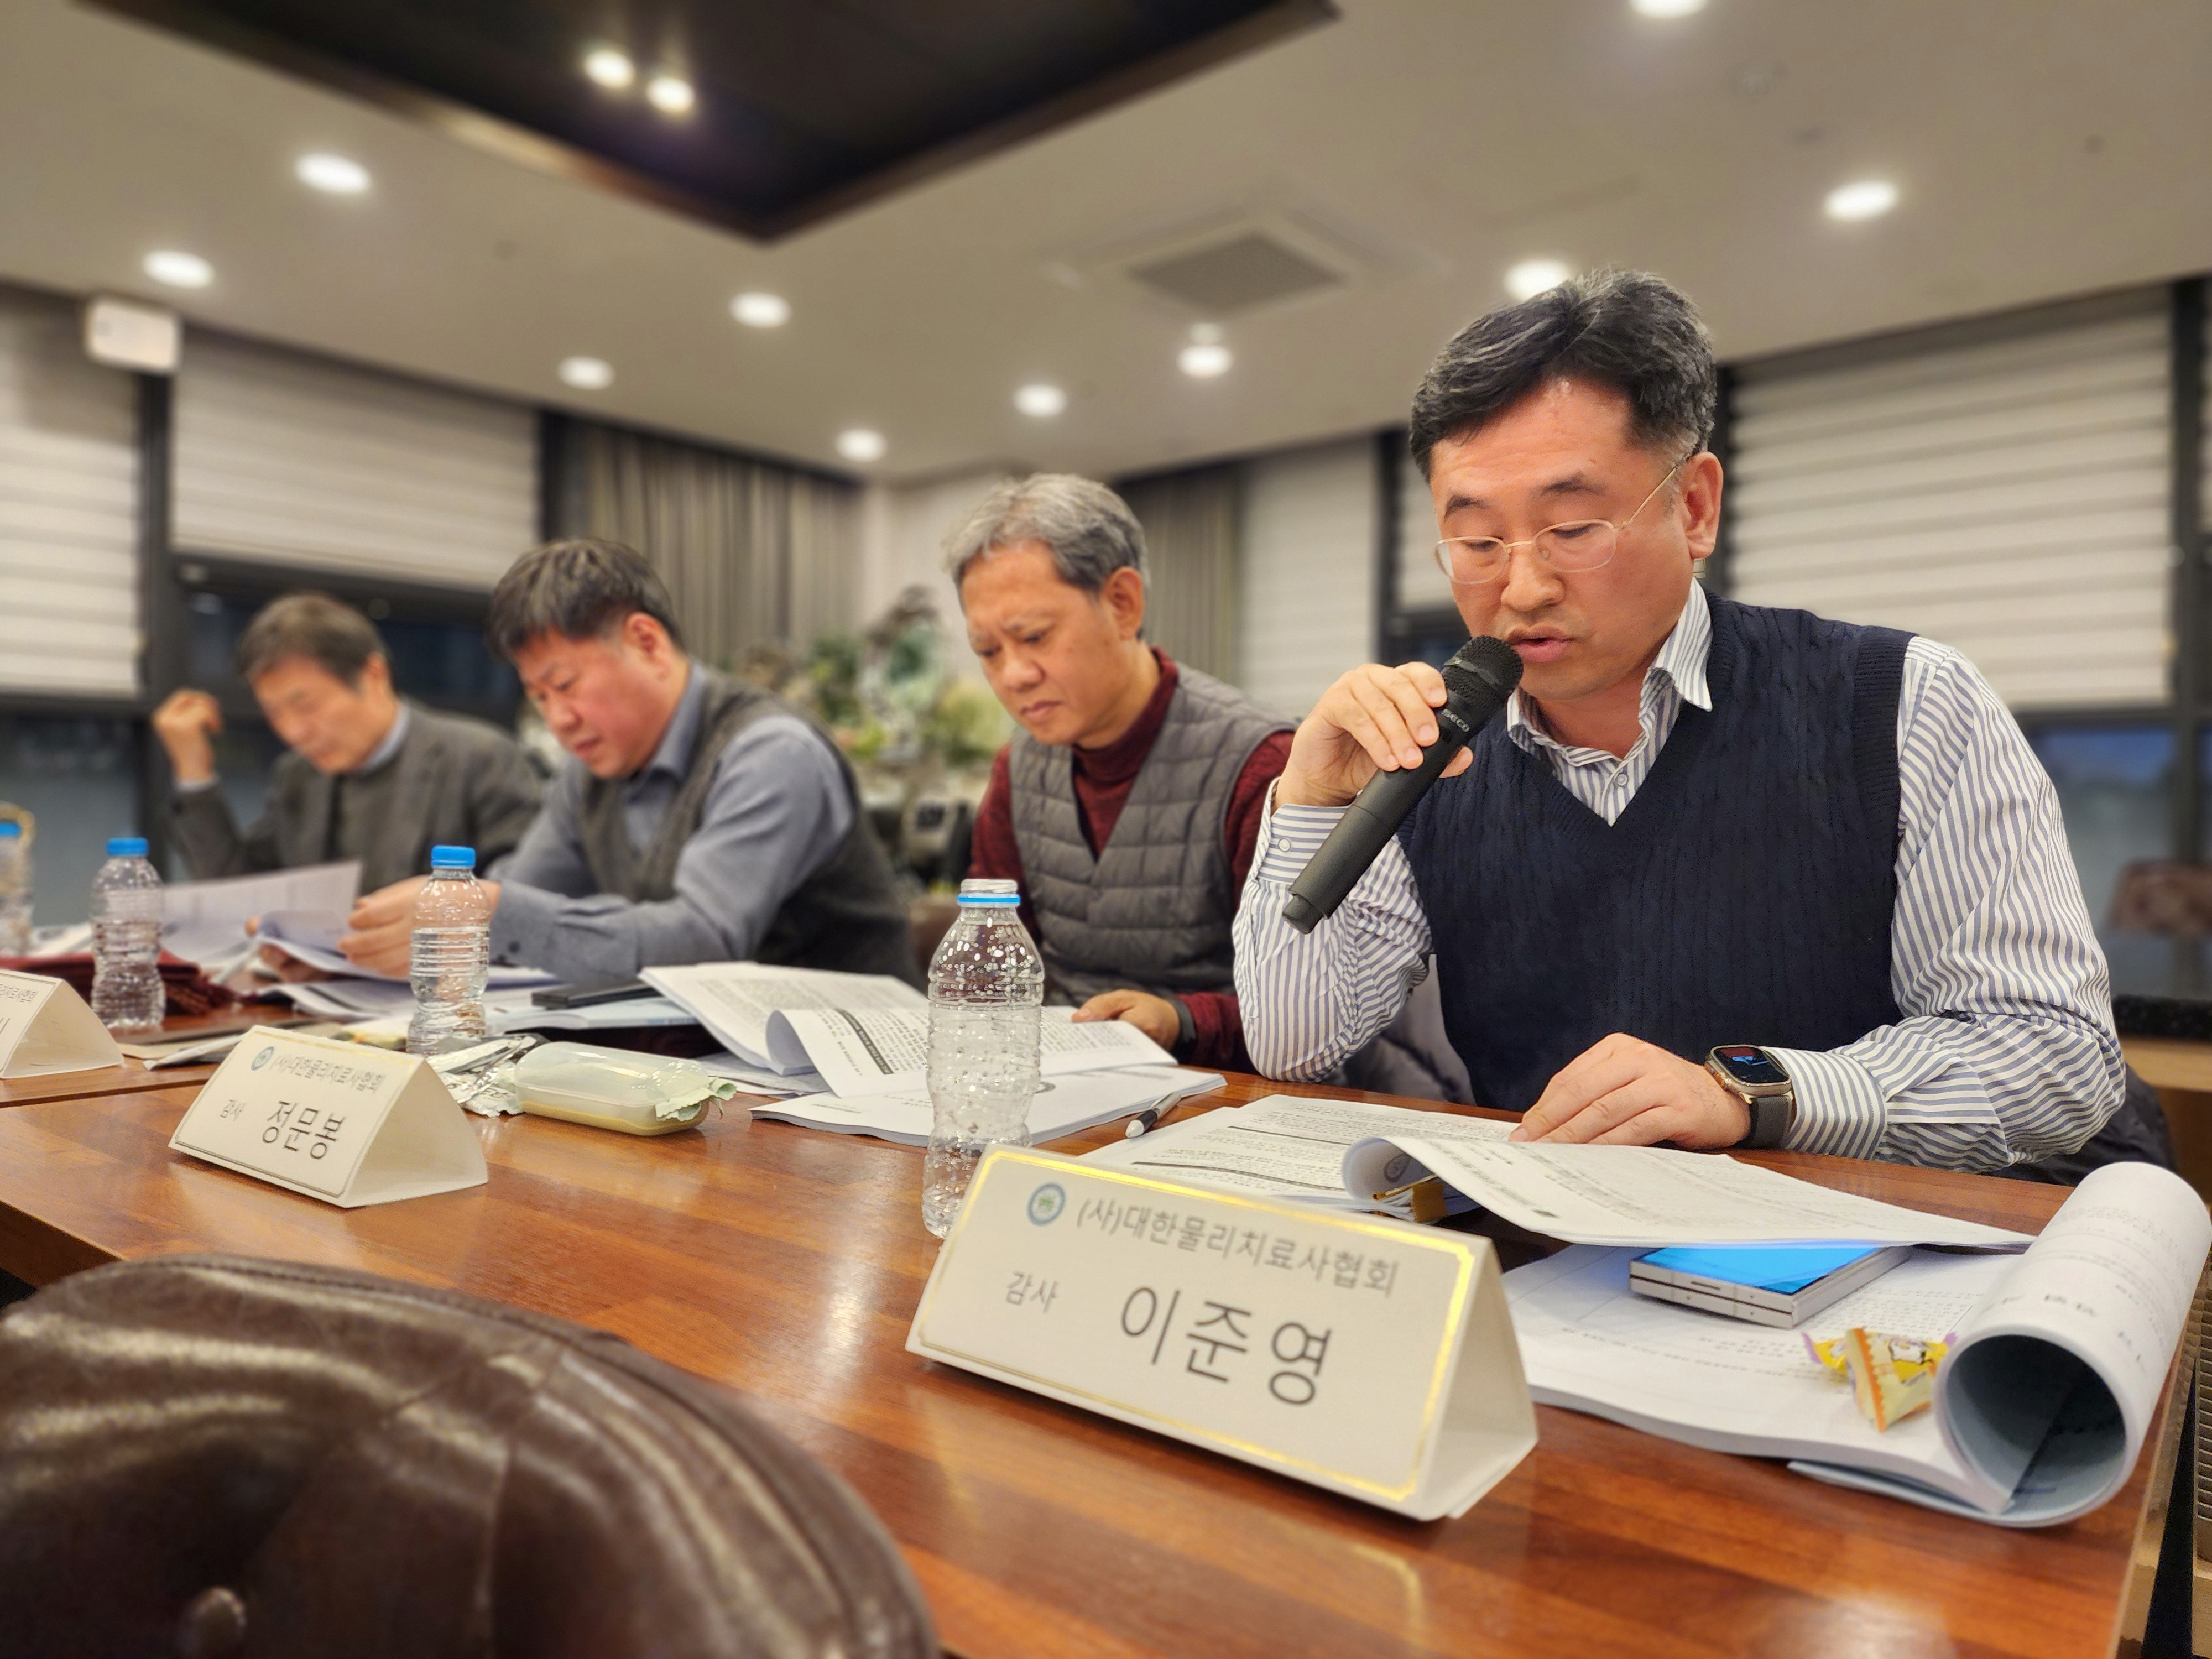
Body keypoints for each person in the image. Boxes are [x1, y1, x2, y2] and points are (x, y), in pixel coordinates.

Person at [1233, 269, 2148, 1176]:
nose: (1523, 587)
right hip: (1559, 1234)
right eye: (1477, 542)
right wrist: (1309, 800)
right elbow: (1292, 1045)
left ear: (1696, 507)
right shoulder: (1436, 751)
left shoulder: (1903, 700)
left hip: (1876, 1230)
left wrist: (1752, 1096)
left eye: (1573, 529)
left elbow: (2052, 1054)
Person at [333, 539, 918, 986]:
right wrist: (381, 945)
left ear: (647, 644)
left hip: (850, 1071)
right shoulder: (589, 773)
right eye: (539, 697)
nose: (558, 719)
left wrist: (495, 913)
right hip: (705, 1063)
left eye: (566, 685)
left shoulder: (771, 752)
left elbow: (704, 939)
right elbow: (523, 893)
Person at [951, 475, 1292, 1070]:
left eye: (1034, 637)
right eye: (988, 651)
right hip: (1062, 1075)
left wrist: (1181, 1020)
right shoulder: (1020, 768)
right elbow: (991, 958)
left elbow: (1315, 1011)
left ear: (1122, 604)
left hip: (1227, 1088)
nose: (1013, 675)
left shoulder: (1260, 764)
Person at [156, 592, 542, 894]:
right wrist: (194, 773)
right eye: (274, 713)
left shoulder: (478, 758)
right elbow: (239, 893)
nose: (293, 732)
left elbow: (527, 899)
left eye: (306, 706)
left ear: (373, 676)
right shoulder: (298, 777)